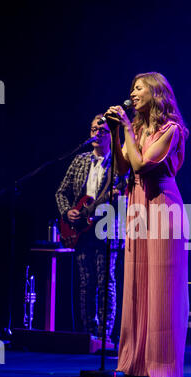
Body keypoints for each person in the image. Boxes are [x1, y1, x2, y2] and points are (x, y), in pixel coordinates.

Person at [106, 72, 189, 377]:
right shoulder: (136, 130)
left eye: (138, 88)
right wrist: (118, 134)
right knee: (138, 281)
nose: (133, 93)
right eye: (132, 89)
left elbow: (143, 164)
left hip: (162, 206)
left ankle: (160, 362)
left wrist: (126, 127)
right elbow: (124, 166)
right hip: (138, 204)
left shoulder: (171, 129)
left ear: (156, 94)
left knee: (161, 285)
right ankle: (134, 360)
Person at [55, 115, 127, 342]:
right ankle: (88, 335)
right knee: (86, 282)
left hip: (108, 228)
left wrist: (117, 197)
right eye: (93, 129)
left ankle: (104, 336)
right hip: (80, 229)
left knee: (106, 282)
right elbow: (61, 192)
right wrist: (67, 212)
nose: (96, 133)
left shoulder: (118, 163)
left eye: (102, 130)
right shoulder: (80, 160)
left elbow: (124, 196)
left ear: (112, 135)